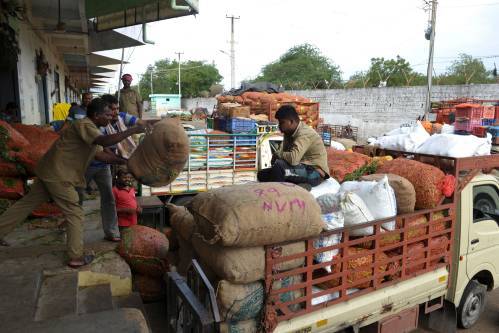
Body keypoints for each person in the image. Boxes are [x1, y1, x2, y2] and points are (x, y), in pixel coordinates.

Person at [0, 98, 147, 268]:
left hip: (51, 171)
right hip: (59, 175)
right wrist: (133, 130)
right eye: (107, 114)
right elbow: (105, 142)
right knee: (75, 213)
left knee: (27, 203)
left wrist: (126, 162)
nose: (110, 117)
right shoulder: (84, 125)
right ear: (97, 115)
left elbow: (102, 155)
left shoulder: (92, 129)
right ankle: (76, 256)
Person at [76, 94, 142, 242]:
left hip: (103, 167)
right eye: (111, 111)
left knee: (108, 198)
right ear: (99, 113)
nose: (115, 113)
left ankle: (111, 232)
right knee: (75, 200)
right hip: (85, 166)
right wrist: (124, 159)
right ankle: (74, 232)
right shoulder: (90, 126)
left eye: (117, 109)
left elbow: (137, 121)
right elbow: (102, 149)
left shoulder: (116, 119)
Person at [257, 105, 329, 189]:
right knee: (262, 174)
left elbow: (293, 159)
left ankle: (280, 196)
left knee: (279, 167)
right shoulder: (289, 133)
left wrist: (278, 155)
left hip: (315, 172)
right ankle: (298, 186)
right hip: (301, 167)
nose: (279, 126)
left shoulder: (305, 133)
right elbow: (284, 154)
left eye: (282, 122)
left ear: (291, 121)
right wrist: (277, 156)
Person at [112, 169, 141, 233]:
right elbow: (111, 209)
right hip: (123, 223)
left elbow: (134, 200)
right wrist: (125, 210)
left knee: (133, 239)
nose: (127, 179)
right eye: (124, 177)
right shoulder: (115, 190)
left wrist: (138, 206)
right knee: (126, 240)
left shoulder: (131, 188)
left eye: (129, 177)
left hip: (134, 221)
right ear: (118, 178)